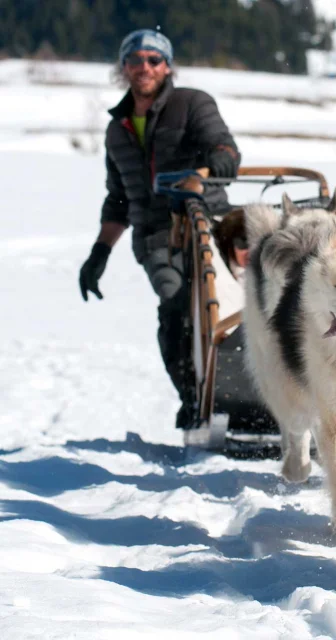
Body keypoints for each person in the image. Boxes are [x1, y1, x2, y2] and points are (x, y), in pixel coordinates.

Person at [78, 29, 241, 429]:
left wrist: (212, 166)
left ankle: (243, 395)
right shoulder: (117, 129)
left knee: (226, 308)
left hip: (210, 226)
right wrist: (99, 253)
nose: (144, 67)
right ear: (124, 68)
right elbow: (118, 199)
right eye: (135, 60)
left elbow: (225, 149)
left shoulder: (191, 104)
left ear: (167, 66)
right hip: (155, 239)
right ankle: (193, 399)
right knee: (175, 308)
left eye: (153, 59)